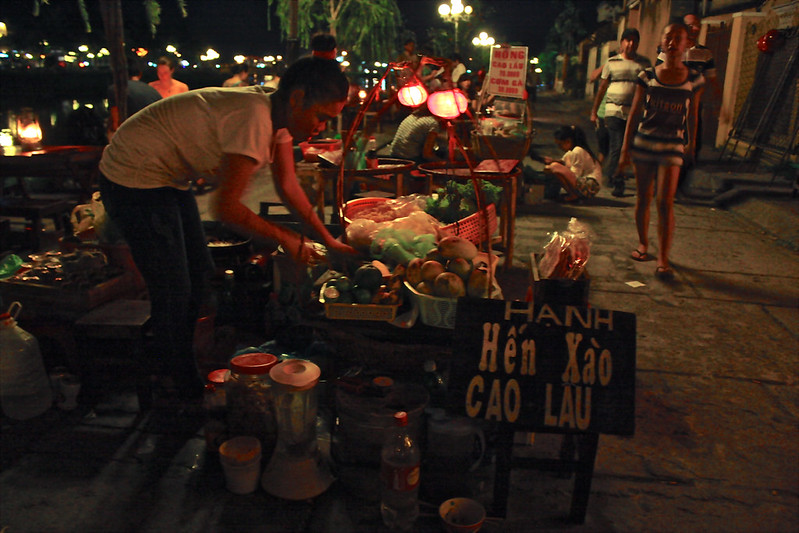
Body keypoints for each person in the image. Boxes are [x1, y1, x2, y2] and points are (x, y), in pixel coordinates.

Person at [98, 57, 357, 399]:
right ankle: (177, 387)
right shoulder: (254, 116)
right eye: (321, 117)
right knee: (174, 289)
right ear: (297, 98)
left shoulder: (276, 112)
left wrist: (327, 239)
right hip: (132, 176)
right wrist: (289, 240)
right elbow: (226, 208)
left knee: (199, 275)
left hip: (167, 177)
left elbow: (287, 184)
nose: (322, 127)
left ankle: (183, 362)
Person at [620, 22, 704, 280]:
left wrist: (691, 143)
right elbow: (634, 113)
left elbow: (694, 114)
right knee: (643, 197)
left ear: (686, 43)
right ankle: (643, 244)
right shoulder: (647, 75)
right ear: (661, 41)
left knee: (665, 202)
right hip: (645, 142)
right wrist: (625, 148)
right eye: (668, 37)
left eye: (678, 38)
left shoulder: (694, 78)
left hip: (672, 146)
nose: (672, 42)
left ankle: (664, 258)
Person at [590, 28, 651, 197]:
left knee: (629, 146)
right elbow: (602, 88)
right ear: (622, 42)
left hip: (635, 113)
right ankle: (616, 179)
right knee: (617, 145)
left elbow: (649, 88)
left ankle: (614, 174)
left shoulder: (644, 64)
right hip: (613, 111)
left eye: (634, 40)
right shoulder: (611, 62)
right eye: (627, 40)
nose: (630, 44)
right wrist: (594, 110)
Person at [106, 53, 162, 140]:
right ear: (140, 73)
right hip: (154, 136)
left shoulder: (117, 89)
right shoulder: (152, 91)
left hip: (130, 137)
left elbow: (116, 122)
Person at [542, 125, 602, 202]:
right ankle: (573, 194)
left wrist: (556, 167)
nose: (559, 147)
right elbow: (562, 161)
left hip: (591, 186)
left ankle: (573, 195)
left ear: (568, 141)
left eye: (560, 144)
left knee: (554, 167)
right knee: (554, 166)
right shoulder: (572, 152)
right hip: (586, 184)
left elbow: (575, 174)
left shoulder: (577, 151)